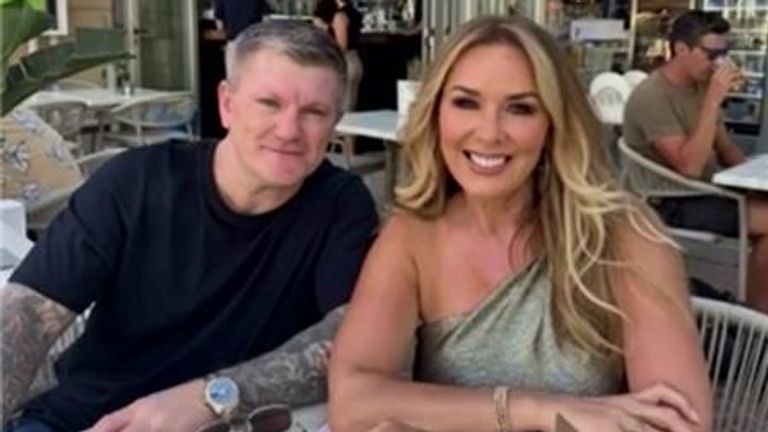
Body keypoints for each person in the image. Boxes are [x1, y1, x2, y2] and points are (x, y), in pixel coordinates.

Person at [328, 16, 712, 432]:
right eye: (466, 103)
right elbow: (352, 402)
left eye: (520, 108)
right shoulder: (412, 235)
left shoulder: (624, 235)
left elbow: (677, 423)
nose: (489, 133)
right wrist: (534, 409)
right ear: (436, 113)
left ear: (553, 124)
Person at [2, 21, 378, 432]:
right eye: (269, 103)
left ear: (335, 122)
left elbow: (356, 341)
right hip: (85, 419)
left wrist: (211, 396)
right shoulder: (134, 184)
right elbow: (24, 319)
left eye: (314, 112)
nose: (289, 130)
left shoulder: (340, 205)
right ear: (227, 104)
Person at [623, 10, 768, 312]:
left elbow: (726, 148)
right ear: (681, 49)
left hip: (706, 190)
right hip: (670, 199)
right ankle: (756, 317)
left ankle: (756, 311)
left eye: (724, 54)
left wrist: (754, 180)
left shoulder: (699, 87)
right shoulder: (652, 96)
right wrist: (713, 101)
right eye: (711, 54)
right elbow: (688, 167)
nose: (718, 62)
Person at [312, 0, 363, 111]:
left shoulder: (340, 16)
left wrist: (325, 34)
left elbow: (341, 46)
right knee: (349, 105)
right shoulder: (353, 13)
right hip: (354, 59)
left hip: (344, 62)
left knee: (342, 107)